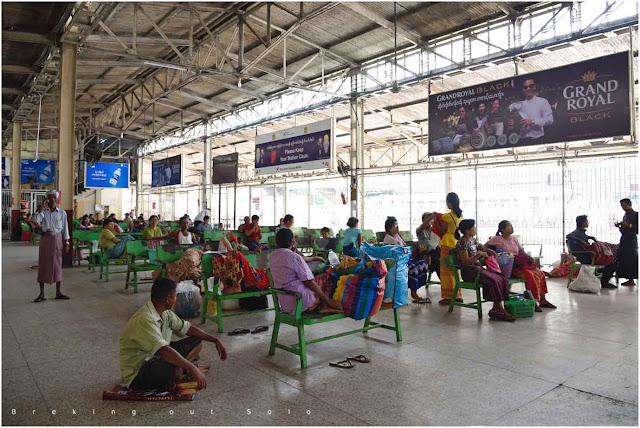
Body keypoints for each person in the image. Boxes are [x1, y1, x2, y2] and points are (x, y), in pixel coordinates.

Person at [120, 277, 227, 391]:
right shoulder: (144, 319)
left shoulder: (165, 313)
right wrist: (191, 368)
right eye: (175, 296)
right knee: (176, 371)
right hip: (139, 370)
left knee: (197, 342)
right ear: (168, 299)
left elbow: (187, 328)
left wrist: (214, 340)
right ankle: (176, 372)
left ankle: (177, 370)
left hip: (159, 356)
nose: (176, 299)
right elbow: (163, 350)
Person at [269, 228, 342, 316]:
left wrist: (313, 258)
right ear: (292, 242)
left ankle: (323, 305)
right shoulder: (294, 257)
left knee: (316, 281)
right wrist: (329, 301)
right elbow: (309, 282)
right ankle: (325, 305)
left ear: (277, 242)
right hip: (302, 303)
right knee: (326, 277)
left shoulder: (273, 256)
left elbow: (291, 259)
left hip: (286, 304)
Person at [486, 220, 556, 312]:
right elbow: (485, 246)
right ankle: (533, 301)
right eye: (509, 226)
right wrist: (493, 253)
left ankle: (543, 299)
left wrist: (529, 257)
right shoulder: (497, 239)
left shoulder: (514, 239)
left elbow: (521, 251)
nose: (512, 228)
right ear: (502, 229)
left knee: (540, 273)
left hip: (520, 263)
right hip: (510, 267)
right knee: (530, 276)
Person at [454, 219, 514, 321]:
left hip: (477, 269)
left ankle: (495, 308)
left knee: (501, 278)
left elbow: (481, 247)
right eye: (473, 228)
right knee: (493, 280)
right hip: (469, 271)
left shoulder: (472, 240)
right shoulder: (462, 243)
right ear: (468, 231)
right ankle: (500, 309)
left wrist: (486, 250)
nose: (475, 229)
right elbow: (466, 262)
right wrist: (479, 255)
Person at [32, 190, 71, 303]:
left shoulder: (62, 213)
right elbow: (35, 221)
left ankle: (58, 292)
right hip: (46, 240)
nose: (52, 199)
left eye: (54, 197)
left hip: (58, 240)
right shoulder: (43, 212)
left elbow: (65, 229)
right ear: (46, 199)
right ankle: (41, 293)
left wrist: (67, 243)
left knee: (57, 265)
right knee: (43, 264)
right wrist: (41, 207)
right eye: (50, 197)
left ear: (57, 199)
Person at [428, 192, 464, 305]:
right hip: (456, 243)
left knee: (446, 271)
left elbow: (443, 230)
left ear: (449, 203)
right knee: (455, 270)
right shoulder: (460, 215)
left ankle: (448, 297)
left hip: (447, 243)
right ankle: (457, 295)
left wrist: (437, 221)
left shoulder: (447, 216)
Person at [384, 216, 429, 304]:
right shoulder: (389, 239)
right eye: (395, 226)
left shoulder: (397, 236)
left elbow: (405, 247)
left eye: (397, 225)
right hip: (397, 263)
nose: (397, 228)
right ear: (389, 228)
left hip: (404, 260)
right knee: (413, 268)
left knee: (423, 264)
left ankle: (414, 290)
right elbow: (402, 252)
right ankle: (413, 293)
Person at [566, 215, 617, 288]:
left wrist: (590, 238)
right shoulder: (577, 233)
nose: (588, 223)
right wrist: (581, 241)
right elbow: (568, 236)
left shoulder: (581, 233)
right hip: (585, 257)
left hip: (586, 255)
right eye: (586, 221)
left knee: (609, 261)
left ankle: (603, 280)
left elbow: (585, 238)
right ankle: (604, 282)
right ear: (582, 222)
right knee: (612, 263)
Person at [509, 78, 554, 145]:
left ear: (534, 87)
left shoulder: (543, 102)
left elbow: (550, 120)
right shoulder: (514, 105)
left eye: (531, 86)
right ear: (523, 89)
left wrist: (533, 121)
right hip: (520, 140)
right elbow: (511, 125)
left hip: (537, 140)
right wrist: (511, 124)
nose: (528, 89)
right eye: (525, 87)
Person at [615, 198, 638, 286]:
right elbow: (624, 229)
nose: (622, 207)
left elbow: (637, 229)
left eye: (624, 205)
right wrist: (620, 226)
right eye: (621, 206)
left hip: (631, 240)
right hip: (624, 239)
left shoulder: (635, 215)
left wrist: (629, 225)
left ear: (629, 204)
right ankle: (627, 278)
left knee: (631, 259)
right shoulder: (625, 215)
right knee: (623, 258)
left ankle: (631, 279)